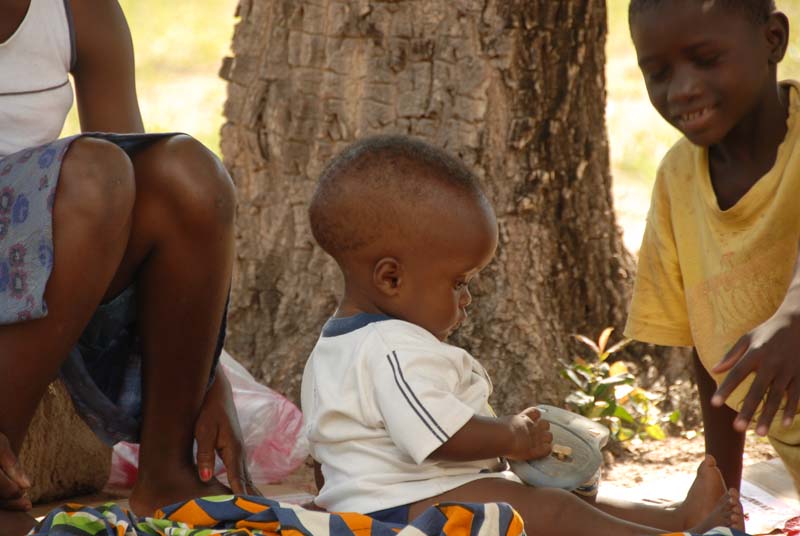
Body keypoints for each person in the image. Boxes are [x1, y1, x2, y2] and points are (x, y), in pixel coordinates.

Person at [301, 135, 744, 535]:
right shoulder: (390, 348)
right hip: (401, 515)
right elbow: (442, 438)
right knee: (550, 510)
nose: (467, 297)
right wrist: (511, 436)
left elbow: (325, 456)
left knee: (554, 499)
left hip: (403, 503)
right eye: (459, 282)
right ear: (391, 279)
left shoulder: (336, 346)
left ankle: (672, 519)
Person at [0, 0, 257, 533]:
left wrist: (210, 377)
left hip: (29, 253)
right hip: (25, 252)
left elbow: (141, 181)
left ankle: (171, 476)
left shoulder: (79, 10)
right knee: (95, 174)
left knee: (185, 173)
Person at [624, 0, 800, 492]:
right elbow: (712, 352)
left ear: (773, 40)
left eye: (706, 59)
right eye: (657, 72)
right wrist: (723, 493)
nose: (681, 89)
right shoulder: (678, 180)